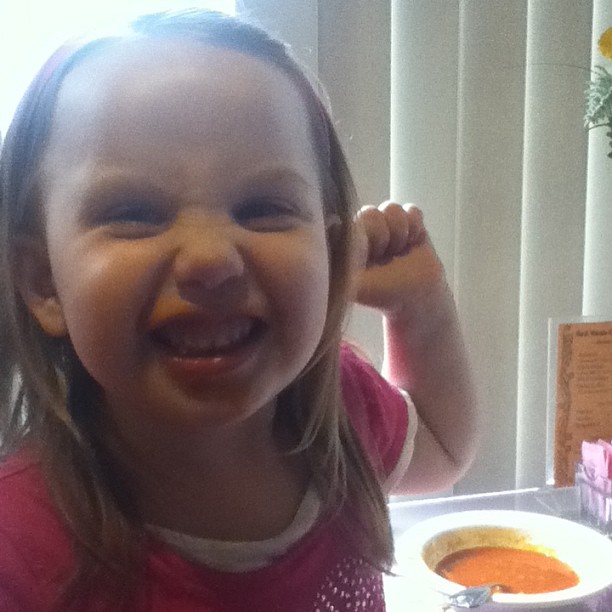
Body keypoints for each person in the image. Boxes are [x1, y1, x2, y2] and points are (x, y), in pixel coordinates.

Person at [0, 8, 478, 611]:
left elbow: (441, 452)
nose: (211, 258)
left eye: (262, 207)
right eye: (135, 213)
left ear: (331, 256)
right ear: (45, 281)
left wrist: (419, 307)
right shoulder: (16, 547)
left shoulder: (338, 411)